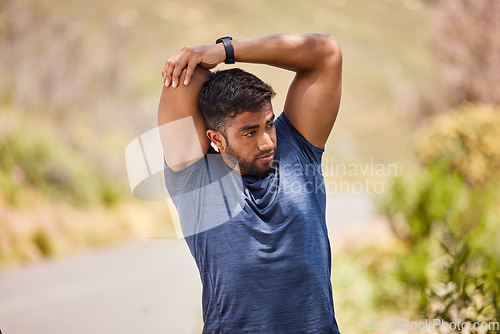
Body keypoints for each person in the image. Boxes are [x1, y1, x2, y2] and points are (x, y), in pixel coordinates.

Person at [158, 33, 342, 333]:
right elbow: (188, 76)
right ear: (216, 138)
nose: (268, 141)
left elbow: (326, 52)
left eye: (269, 124)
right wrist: (202, 61)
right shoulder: (196, 181)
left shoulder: (298, 150)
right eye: (249, 132)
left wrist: (225, 50)